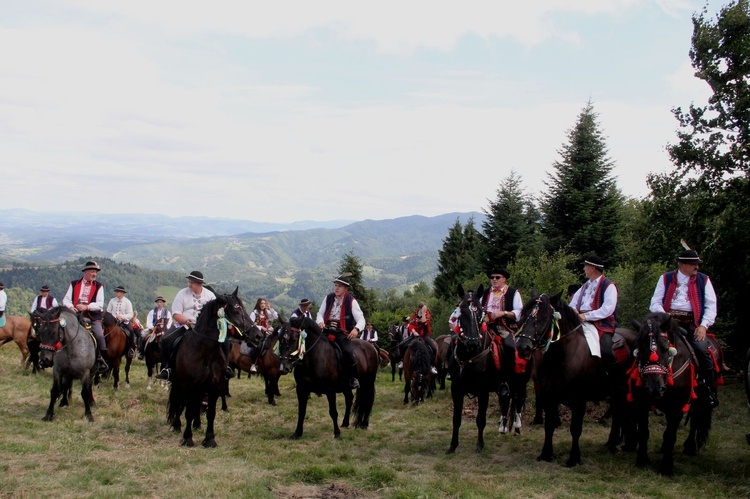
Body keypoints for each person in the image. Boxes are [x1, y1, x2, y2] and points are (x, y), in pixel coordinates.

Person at [649, 249, 719, 408]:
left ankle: (707, 388)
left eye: (697, 264)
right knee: (647, 347)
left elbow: (711, 305)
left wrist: (703, 325)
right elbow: (655, 302)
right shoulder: (665, 278)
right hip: (666, 323)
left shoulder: (703, 280)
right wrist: (665, 316)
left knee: (702, 351)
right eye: (693, 264)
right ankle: (644, 386)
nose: (697, 267)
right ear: (681, 265)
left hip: (692, 325)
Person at [156, 271, 227, 381]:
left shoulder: (210, 296)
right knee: (166, 339)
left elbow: (216, 314)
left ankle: (224, 367)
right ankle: (167, 368)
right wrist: (185, 321)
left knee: (226, 342)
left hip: (205, 329)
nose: (189, 284)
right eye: (189, 281)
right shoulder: (182, 294)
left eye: (192, 282)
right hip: (183, 325)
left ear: (199, 284)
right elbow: (176, 313)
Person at [569, 256, 618, 376]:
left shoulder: (609, 286)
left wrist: (586, 316)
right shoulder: (584, 286)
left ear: (592, 268)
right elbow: (572, 304)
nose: (584, 269)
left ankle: (610, 379)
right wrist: (574, 311)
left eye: (586, 266)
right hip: (580, 321)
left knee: (606, 351)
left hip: (602, 323)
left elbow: (607, 309)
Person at [316, 273, 366, 389]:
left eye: (340, 286)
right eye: (336, 285)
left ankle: (353, 378)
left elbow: (361, 319)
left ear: (346, 289)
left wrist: (356, 329)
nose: (337, 288)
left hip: (342, 333)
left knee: (348, 351)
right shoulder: (328, 298)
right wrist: (320, 322)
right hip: (326, 330)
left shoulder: (351, 301)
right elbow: (320, 313)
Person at [480, 268, 523, 394]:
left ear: (504, 279)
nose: (494, 280)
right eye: (492, 277)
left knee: (509, 346)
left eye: (497, 277)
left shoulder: (513, 293)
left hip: (504, 327)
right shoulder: (486, 292)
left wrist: (502, 313)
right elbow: (480, 308)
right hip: (486, 325)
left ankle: (506, 380)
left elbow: (518, 312)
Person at [62, 261, 108, 373]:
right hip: (75, 314)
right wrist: (71, 307)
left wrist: (86, 307)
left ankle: (100, 358)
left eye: (96, 272)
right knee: (61, 330)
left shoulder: (99, 286)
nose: (94, 274)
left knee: (99, 335)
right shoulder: (74, 284)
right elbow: (66, 300)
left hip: (92, 316)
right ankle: (57, 356)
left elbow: (99, 304)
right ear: (86, 272)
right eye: (92, 271)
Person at [248, 298, 279, 372]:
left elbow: (276, 316)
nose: (263, 305)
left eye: (264, 303)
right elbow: (250, 325)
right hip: (256, 334)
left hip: (265, 333)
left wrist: (270, 308)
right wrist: (261, 327)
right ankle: (253, 364)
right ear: (258, 304)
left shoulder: (266, 312)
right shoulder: (254, 313)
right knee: (258, 346)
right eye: (262, 303)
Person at [106, 285, 136, 358]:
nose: (116, 293)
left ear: (122, 293)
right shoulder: (112, 301)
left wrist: (122, 317)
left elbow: (130, 314)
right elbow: (108, 311)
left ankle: (131, 349)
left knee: (131, 331)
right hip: (113, 322)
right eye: (116, 291)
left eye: (118, 291)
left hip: (124, 322)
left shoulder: (127, 302)